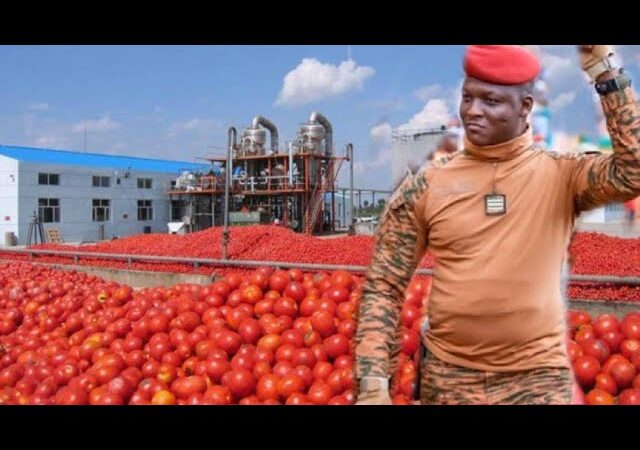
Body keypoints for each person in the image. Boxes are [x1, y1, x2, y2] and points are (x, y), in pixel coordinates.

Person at [355, 45, 640, 405]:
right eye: (467, 97)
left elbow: (633, 171)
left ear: (525, 108)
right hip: (448, 380)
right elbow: (383, 284)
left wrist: (605, 70)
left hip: (536, 379)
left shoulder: (561, 175)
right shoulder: (428, 185)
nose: (473, 111)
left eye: (490, 100)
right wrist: (372, 382)